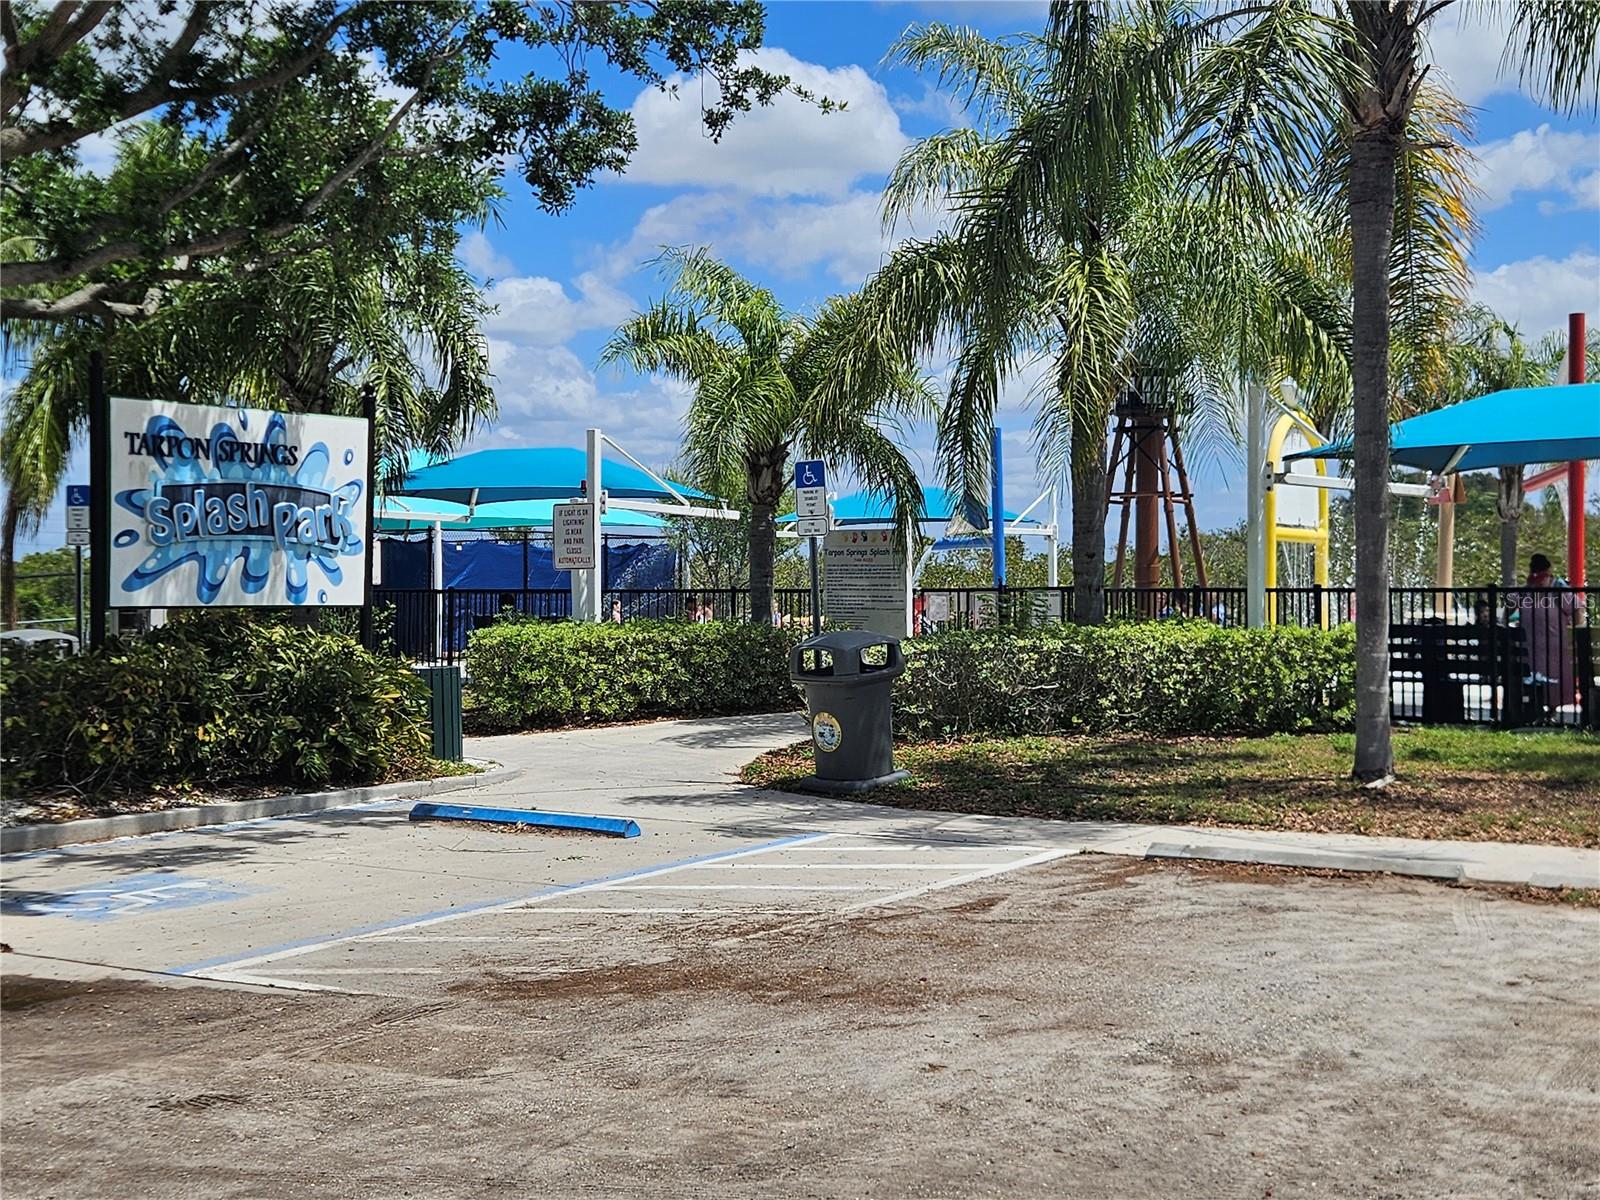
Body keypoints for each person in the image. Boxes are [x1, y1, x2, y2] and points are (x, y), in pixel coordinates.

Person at [1513, 553, 1580, 714]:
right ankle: (1548, 709)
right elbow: (1576, 613)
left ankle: (1541, 708)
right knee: (1552, 675)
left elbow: (1507, 611)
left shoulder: (1526, 591)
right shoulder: (1557, 588)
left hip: (1534, 644)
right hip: (1551, 643)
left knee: (1538, 674)